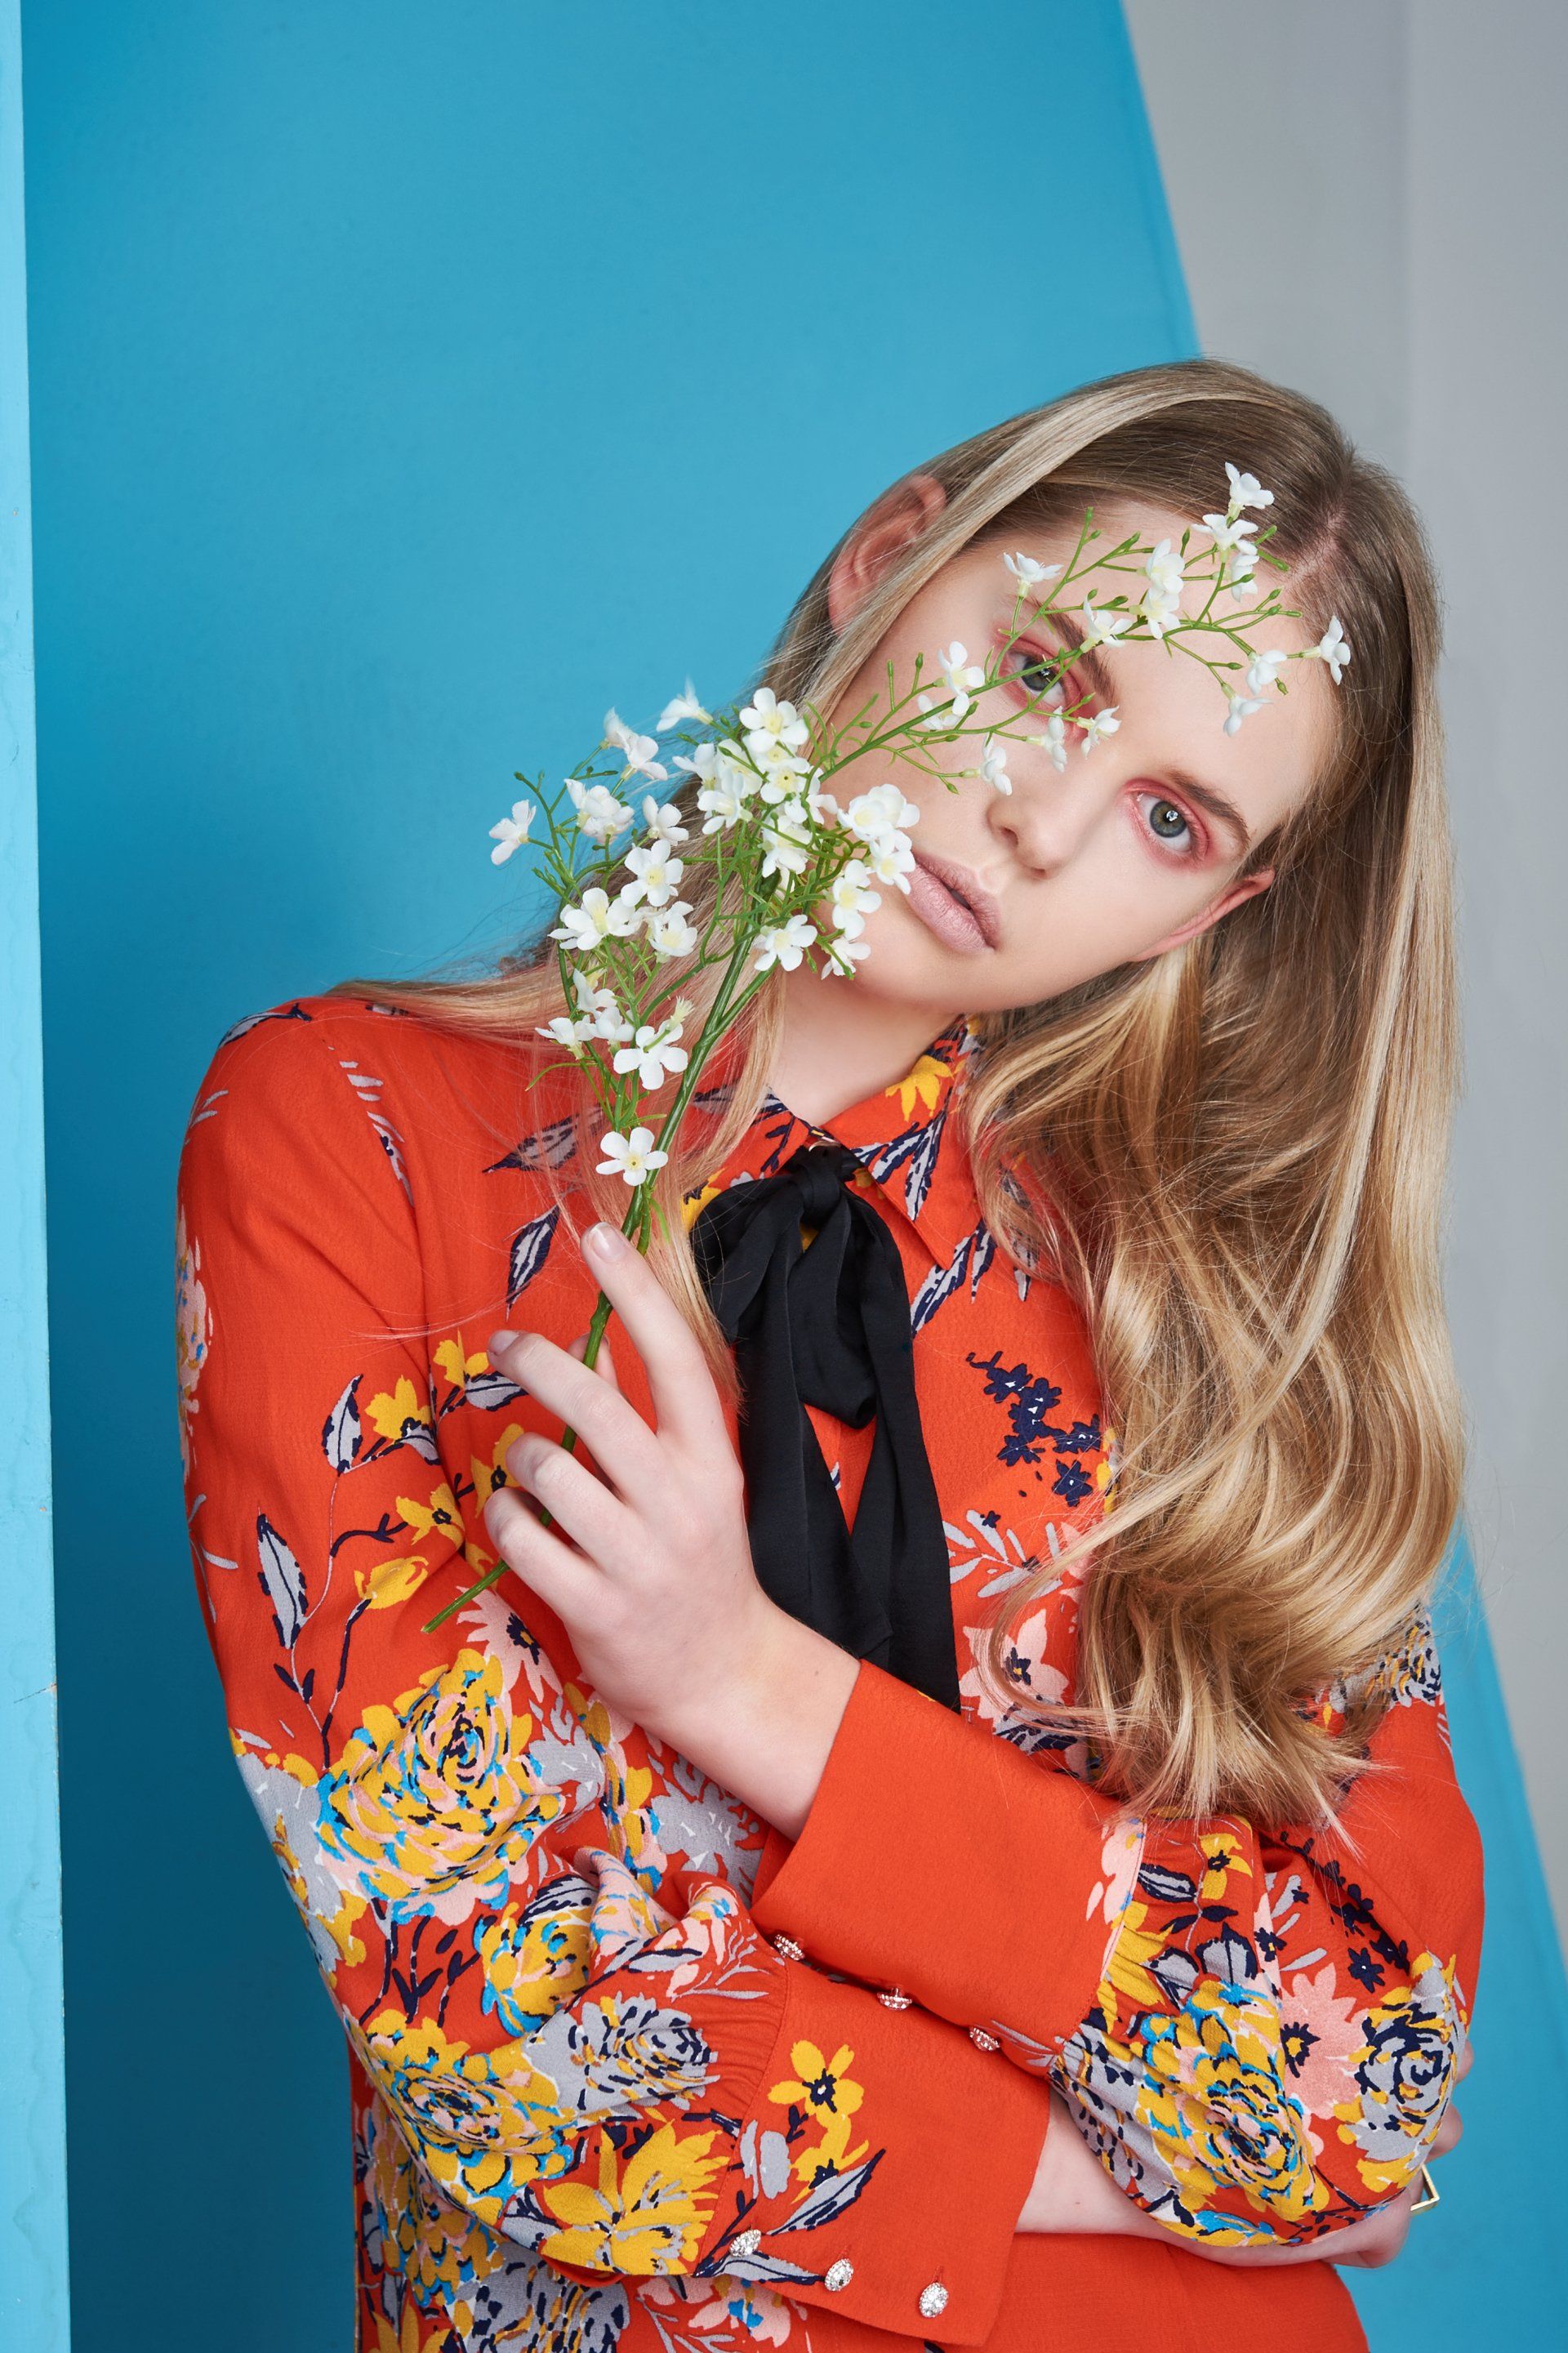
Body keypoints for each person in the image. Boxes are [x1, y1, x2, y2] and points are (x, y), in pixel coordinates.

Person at [173, 357, 1481, 2353]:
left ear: (1222, 899)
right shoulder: (348, 1139)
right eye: (1044, 669)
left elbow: (1353, 2087)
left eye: (1165, 811)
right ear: (897, 555)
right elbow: (516, 2032)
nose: (1037, 822)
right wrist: (1168, 2179)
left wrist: (748, 1684)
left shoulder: (1212, 1318)